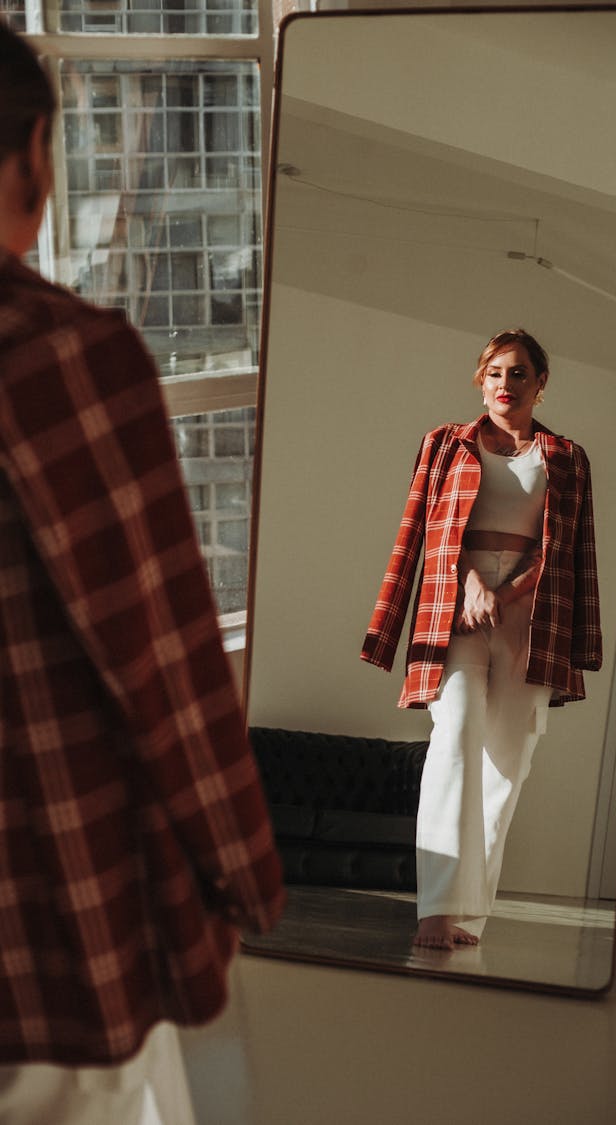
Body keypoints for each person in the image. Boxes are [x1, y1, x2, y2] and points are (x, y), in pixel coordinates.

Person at [0, 23, 283, 1123]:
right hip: (50, 926)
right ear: (31, 157)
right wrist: (245, 878)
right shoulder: (65, 359)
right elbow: (161, 666)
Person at [361, 329, 602, 950]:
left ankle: (471, 917)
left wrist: (507, 591)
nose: (505, 384)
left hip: (530, 610)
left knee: (507, 767)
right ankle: (436, 910)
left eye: (519, 373)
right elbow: (430, 527)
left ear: (539, 383)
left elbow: (566, 548)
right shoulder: (447, 444)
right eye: (495, 372)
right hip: (455, 605)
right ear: (481, 380)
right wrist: (470, 583)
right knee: (455, 741)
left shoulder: (567, 458)